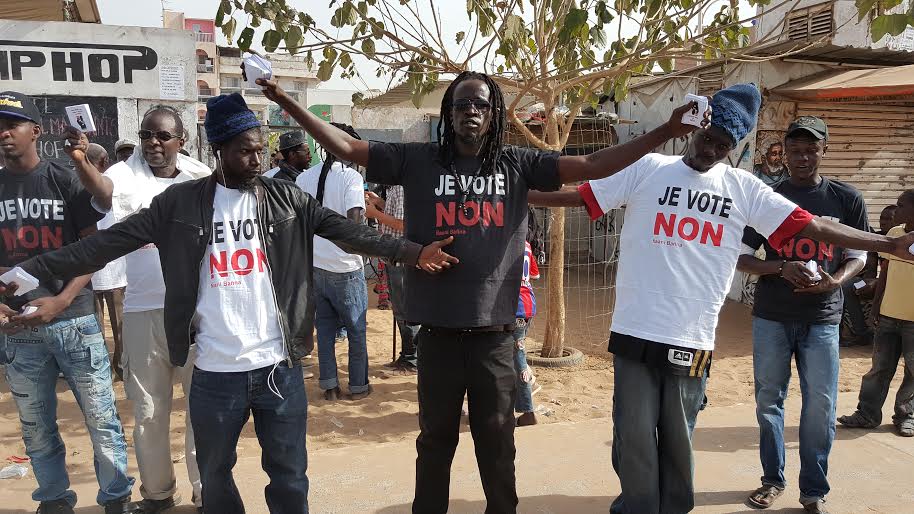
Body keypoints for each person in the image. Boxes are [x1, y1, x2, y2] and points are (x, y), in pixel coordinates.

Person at [256, 68, 709, 514]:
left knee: (497, 445)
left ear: (494, 115)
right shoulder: (418, 160)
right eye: (461, 104)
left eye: (480, 104)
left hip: (495, 335)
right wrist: (285, 101)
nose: (471, 111)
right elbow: (349, 147)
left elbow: (592, 165)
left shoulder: (516, 163)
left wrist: (666, 131)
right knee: (435, 442)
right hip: (437, 334)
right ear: (448, 114)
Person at [10, 92, 458, 514]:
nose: (258, 159)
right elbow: (105, 244)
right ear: (219, 149)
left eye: (261, 150)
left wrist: (415, 253)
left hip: (277, 368)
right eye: (246, 150)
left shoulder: (287, 199)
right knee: (215, 478)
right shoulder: (179, 204)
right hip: (214, 373)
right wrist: (32, 271)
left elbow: (352, 232)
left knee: (288, 478)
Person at [526, 84, 914, 514]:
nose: (710, 150)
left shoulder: (744, 189)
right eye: (707, 138)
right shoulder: (650, 169)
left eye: (723, 145)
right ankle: (636, 507)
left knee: (678, 432)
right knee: (632, 432)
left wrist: (886, 245)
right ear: (696, 129)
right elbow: (580, 197)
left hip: (692, 335)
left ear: (735, 147)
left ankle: (673, 507)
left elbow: (816, 228)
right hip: (635, 326)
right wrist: (517, 195)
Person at [61, 105, 211, 513]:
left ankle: (205, 491)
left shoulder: (200, 177)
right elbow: (104, 193)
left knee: (202, 408)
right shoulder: (125, 173)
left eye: (163, 136)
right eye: (147, 135)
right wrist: (79, 159)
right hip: (144, 311)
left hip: (198, 313)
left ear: (182, 139)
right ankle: (158, 493)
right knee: (148, 409)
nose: (153, 143)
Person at [0, 91, 139, 514]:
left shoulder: (64, 178)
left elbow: (92, 248)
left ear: (35, 131)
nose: (4, 133)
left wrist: (61, 299)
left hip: (74, 322)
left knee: (101, 418)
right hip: (18, 330)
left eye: (13, 124)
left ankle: (115, 497)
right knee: (35, 427)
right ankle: (54, 499)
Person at [738, 116, 870, 514]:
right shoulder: (768, 197)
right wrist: (779, 267)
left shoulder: (846, 199)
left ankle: (814, 490)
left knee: (821, 407)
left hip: (823, 319)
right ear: (784, 153)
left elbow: (859, 256)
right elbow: (740, 257)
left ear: (824, 150)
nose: (802, 157)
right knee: (768, 401)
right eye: (795, 149)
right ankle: (772, 480)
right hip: (773, 316)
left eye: (811, 149)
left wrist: (835, 282)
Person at [296, 122, 372, 400]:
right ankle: (358, 386)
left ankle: (329, 385)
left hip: (316, 267)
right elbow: (355, 220)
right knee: (355, 331)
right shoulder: (351, 177)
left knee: (325, 331)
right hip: (346, 268)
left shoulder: (304, 178)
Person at [838, 189, 914, 437]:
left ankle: (906, 416)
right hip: (889, 316)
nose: (896, 210)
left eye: (901, 206)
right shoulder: (894, 235)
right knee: (879, 369)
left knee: (913, 372)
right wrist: (878, 306)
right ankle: (867, 414)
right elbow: (886, 272)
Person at [366, 185, 420, 372]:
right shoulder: (396, 188)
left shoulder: (399, 187)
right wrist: (380, 203)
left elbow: (403, 224)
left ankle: (411, 357)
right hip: (398, 255)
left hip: (401, 256)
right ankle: (409, 355)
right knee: (401, 308)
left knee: (403, 310)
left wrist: (375, 213)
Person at [85, 143, 127, 381]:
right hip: (115, 267)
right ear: (104, 161)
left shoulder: (78, 186)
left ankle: (99, 369)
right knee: (120, 324)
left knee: (95, 325)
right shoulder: (115, 186)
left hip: (90, 268)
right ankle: (120, 366)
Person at [839, 204, 898, 347]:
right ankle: (860, 333)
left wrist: (876, 281)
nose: (883, 222)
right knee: (848, 286)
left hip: (895, 282)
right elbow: (870, 270)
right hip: (875, 280)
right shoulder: (875, 237)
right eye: (881, 218)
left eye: (888, 219)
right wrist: (870, 282)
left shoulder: (902, 239)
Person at [514, 208, 541, 427]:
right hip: (528, 305)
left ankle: (528, 411)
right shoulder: (526, 245)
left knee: (518, 358)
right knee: (513, 356)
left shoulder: (506, 244)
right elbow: (535, 274)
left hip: (515, 309)